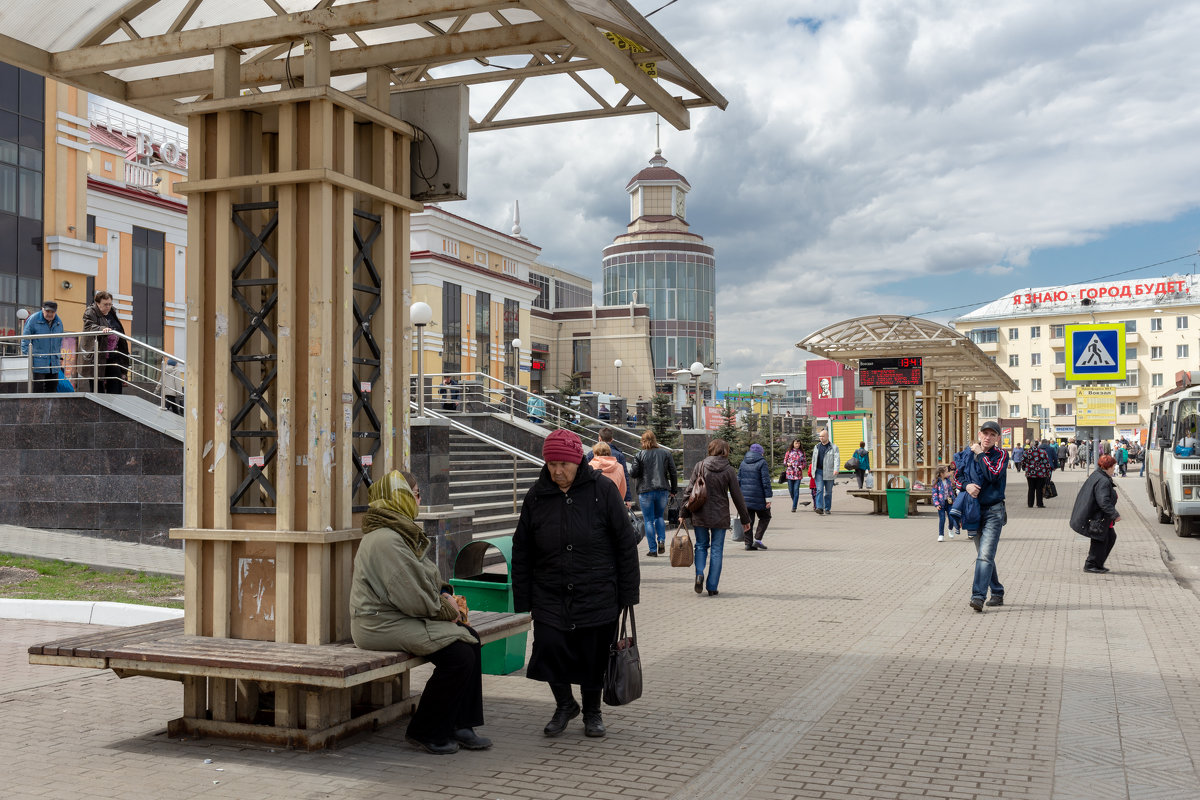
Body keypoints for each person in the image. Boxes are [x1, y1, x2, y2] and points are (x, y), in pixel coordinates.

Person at [349, 470, 490, 755]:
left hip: (398, 617)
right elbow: (410, 594)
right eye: (414, 494)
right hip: (378, 624)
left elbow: (425, 577)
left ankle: (462, 724)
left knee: (469, 638)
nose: (418, 499)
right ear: (398, 497)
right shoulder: (386, 539)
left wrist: (445, 592)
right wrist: (444, 611)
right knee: (460, 653)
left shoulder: (401, 531)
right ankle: (426, 730)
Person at [512, 429, 640, 739]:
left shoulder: (603, 490)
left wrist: (627, 594)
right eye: (551, 464)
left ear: (577, 462)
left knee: (593, 654)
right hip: (549, 592)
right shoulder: (537, 495)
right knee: (549, 648)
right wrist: (524, 598)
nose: (557, 471)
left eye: (563, 464)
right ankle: (565, 704)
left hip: (596, 591)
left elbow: (625, 543)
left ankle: (592, 713)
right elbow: (522, 548)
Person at [682, 438, 750, 596]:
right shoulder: (728, 470)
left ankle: (699, 573)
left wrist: (683, 513)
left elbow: (690, 490)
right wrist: (746, 520)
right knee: (717, 550)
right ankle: (712, 586)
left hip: (699, 513)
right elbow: (737, 496)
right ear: (725, 451)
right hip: (720, 515)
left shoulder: (700, 465)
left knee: (700, 546)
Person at [958, 421, 1008, 612]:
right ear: (979, 434)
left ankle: (978, 596)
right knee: (984, 555)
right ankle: (997, 590)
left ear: (997, 438)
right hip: (974, 510)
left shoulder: (1001, 455)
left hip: (994, 511)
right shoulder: (967, 453)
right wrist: (966, 486)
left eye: (992, 435)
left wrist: (980, 454)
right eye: (985, 434)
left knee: (985, 555)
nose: (987, 437)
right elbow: (958, 476)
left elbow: (993, 475)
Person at [628, 429, 678, 557]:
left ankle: (652, 549)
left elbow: (633, 473)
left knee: (648, 520)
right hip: (662, 489)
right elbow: (673, 472)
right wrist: (673, 490)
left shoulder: (639, 455)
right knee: (659, 517)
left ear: (643, 441)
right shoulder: (666, 453)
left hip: (645, 491)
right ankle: (661, 540)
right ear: (655, 440)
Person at [1070, 454, 1120, 573]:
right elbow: (1103, 501)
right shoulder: (1103, 480)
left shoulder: (1098, 475)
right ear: (1108, 467)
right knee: (1100, 539)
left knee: (1110, 537)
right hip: (1098, 517)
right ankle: (1091, 565)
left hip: (1100, 516)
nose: (1114, 470)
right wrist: (1115, 514)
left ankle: (1097, 564)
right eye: (1113, 467)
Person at [81, 291, 130, 394]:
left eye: (110, 304)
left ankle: (113, 408)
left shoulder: (112, 312)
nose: (108, 307)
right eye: (105, 304)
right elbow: (89, 326)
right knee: (97, 387)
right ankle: (98, 409)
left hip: (112, 355)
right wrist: (101, 328)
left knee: (115, 383)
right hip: (97, 356)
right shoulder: (91, 312)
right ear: (98, 303)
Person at [20, 301, 64, 393]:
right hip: (37, 364)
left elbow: (59, 342)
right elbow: (25, 341)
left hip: (54, 364)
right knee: (37, 391)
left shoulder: (58, 322)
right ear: (42, 309)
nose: (50, 314)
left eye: (52, 312)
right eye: (48, 311)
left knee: (52, 390)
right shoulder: (33, 320)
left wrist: (59, 357)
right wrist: (28, 359)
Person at [737, 443, 772, 551]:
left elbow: (738, 480)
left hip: (745, 497)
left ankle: (748, 544)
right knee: (765, 517)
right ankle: (757, 540)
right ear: (761, 452)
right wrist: (768, 498)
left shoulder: (743, 463)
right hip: (759, 497)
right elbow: (765, 482)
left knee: (748, 520)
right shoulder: (762, 462)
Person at [810, 428, 840, 515]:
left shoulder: (834, 447)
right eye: (820, 436)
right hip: (818, 471)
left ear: (827, 436)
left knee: (828, 492)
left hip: (829, 472)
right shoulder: (816, 447)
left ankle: (827, 508)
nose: (821, 438)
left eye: (823, 436)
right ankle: (819, 507)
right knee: (819, 489)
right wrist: (813, 471)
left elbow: (836, 459)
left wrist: (836, 469)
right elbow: (814, 459)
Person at [590, 441, 630, 506]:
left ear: (594, 453)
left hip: (595, 505)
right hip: (614, 503)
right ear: (609, 452)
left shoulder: (590, 466)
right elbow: (623, 488)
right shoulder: (619, 467)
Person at [931, 465, 959, 542]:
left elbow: (951, 492)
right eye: (946, 472)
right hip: (941, 503)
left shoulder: (948, 480)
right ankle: (941, 535)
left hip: (949, 502)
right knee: (942, 519)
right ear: (941, 473)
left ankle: (950, 529)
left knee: (951, 517)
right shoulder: (936, 481)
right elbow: (934, 494)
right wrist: (936, 504)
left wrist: (954, 501)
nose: (948, 473)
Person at [1023, 438, 1052, 508]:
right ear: (1038, 445)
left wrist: (1025, 468)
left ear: (1030, 445)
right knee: (1039, 488)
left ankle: (1030, 504)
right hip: (1040, 473)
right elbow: (1046, 463)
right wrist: (1048, 472)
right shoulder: (1042, 452)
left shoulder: (1027, 452)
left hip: (1030, 473)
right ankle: (1039, 504)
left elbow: (1023, 462)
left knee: (1031, 488)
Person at [783, 439, 807, 512]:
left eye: (799, 443)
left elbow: (805, 463)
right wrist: (787, 464)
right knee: (791, 490)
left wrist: (801, 467)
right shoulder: (789, 452)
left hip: (798, 474)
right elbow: (784, 461)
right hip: (790, 474)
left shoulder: (802, 453)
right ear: (793, 444)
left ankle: (794, 507)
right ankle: (795, 501)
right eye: (796, 443)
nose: (797, 445)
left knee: (796, 490)